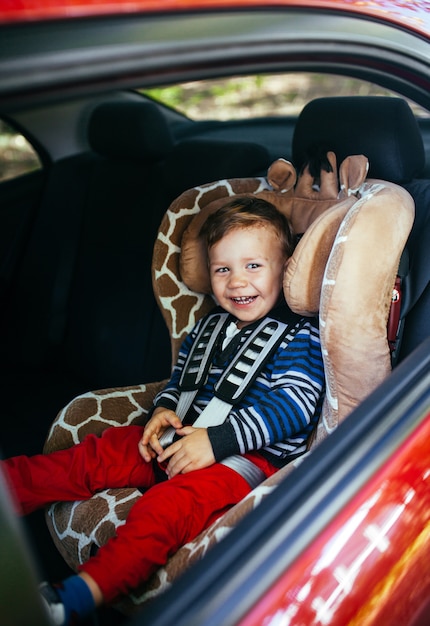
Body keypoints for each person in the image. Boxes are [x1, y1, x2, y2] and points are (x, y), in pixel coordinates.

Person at [1, 196, 325, 625]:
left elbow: (295, 404)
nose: (236, 282)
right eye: (222, 269)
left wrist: (218, 441)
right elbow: (181, 382)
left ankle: (79, 595)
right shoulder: (208, 327)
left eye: (253, 266)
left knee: (164, 509)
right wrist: (163, 410)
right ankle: (11, 487)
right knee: (98, 453)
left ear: (285, 269)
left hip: (243, 461)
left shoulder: (298, 336)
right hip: (179, 438)